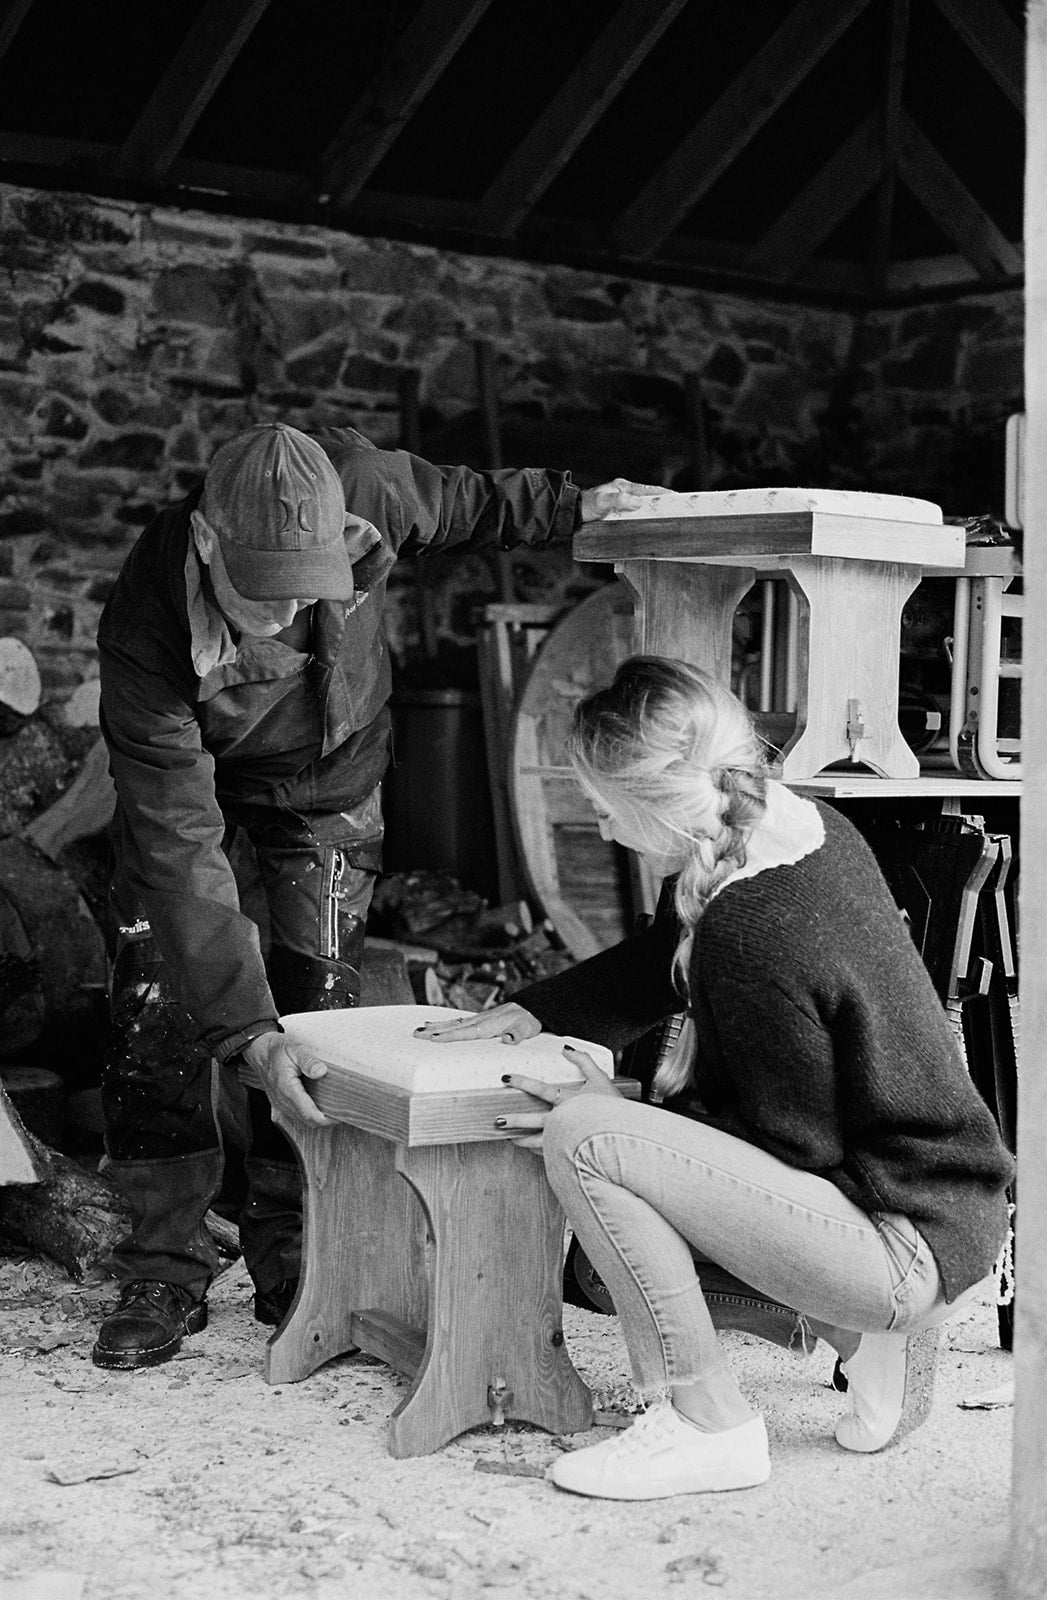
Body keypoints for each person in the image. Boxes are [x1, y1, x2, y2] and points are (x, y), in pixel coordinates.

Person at [92, 418, 654, 1371]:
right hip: (198, 791)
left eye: (298, 592)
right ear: (206, 544)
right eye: (255, 597)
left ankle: (295, 1252)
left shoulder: (366, 487)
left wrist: (583, 503)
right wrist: (243, 1032)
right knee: (160, 1000)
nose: (278, 618)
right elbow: (181, 845)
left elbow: (475, 500)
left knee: (319, 1021)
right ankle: (163, 1263)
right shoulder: (143, 625)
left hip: (329, 781)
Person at [417, 655, 1014, 1500]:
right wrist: (536, 1010)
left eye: (598, 801)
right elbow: (673, 951)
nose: (593, 821)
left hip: (895, 1237)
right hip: (934, 1200)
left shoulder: (751, 932)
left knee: (585, 1145)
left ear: (650, 804)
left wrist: (616, 1106)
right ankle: (857, 1334)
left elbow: (790, 1148)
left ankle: (706, 1425)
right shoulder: (792, 833)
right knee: (601, 1226)